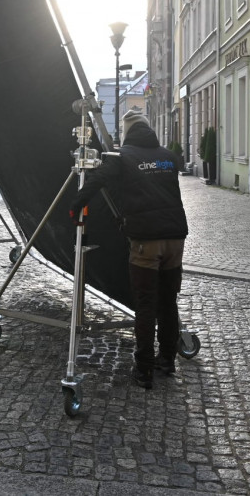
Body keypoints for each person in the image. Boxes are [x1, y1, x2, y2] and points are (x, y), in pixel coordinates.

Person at [69, 109, 188, 389]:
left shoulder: (121, 157)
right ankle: (167, 360)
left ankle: (144, 370)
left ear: (127, 132)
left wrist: (76, 206)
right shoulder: (168, 157)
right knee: (168, 302)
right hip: (175, 238)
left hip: (146, 240)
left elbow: (97, 180)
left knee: (146, 304)